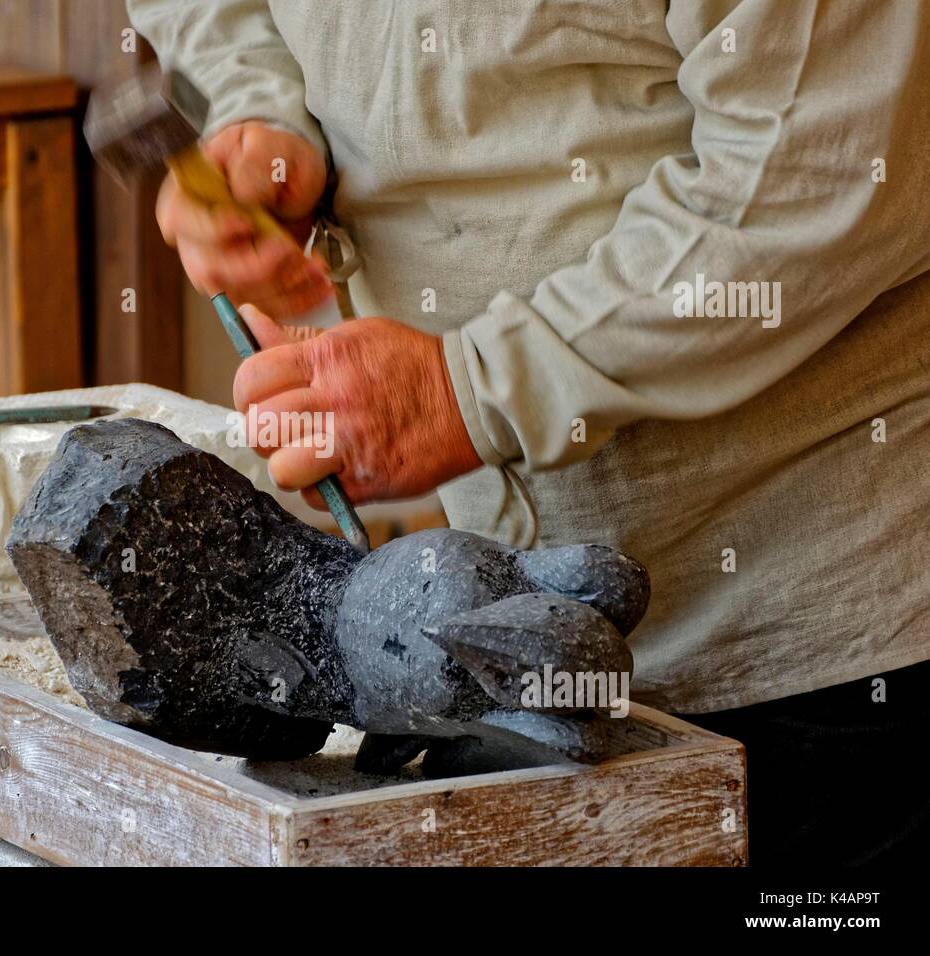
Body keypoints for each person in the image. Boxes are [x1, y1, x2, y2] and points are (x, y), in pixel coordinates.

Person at [127, 0, 930, 865]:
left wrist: (473, 389)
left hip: (817, 639)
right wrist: (256, 101)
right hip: (516, 649)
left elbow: (817, 171)